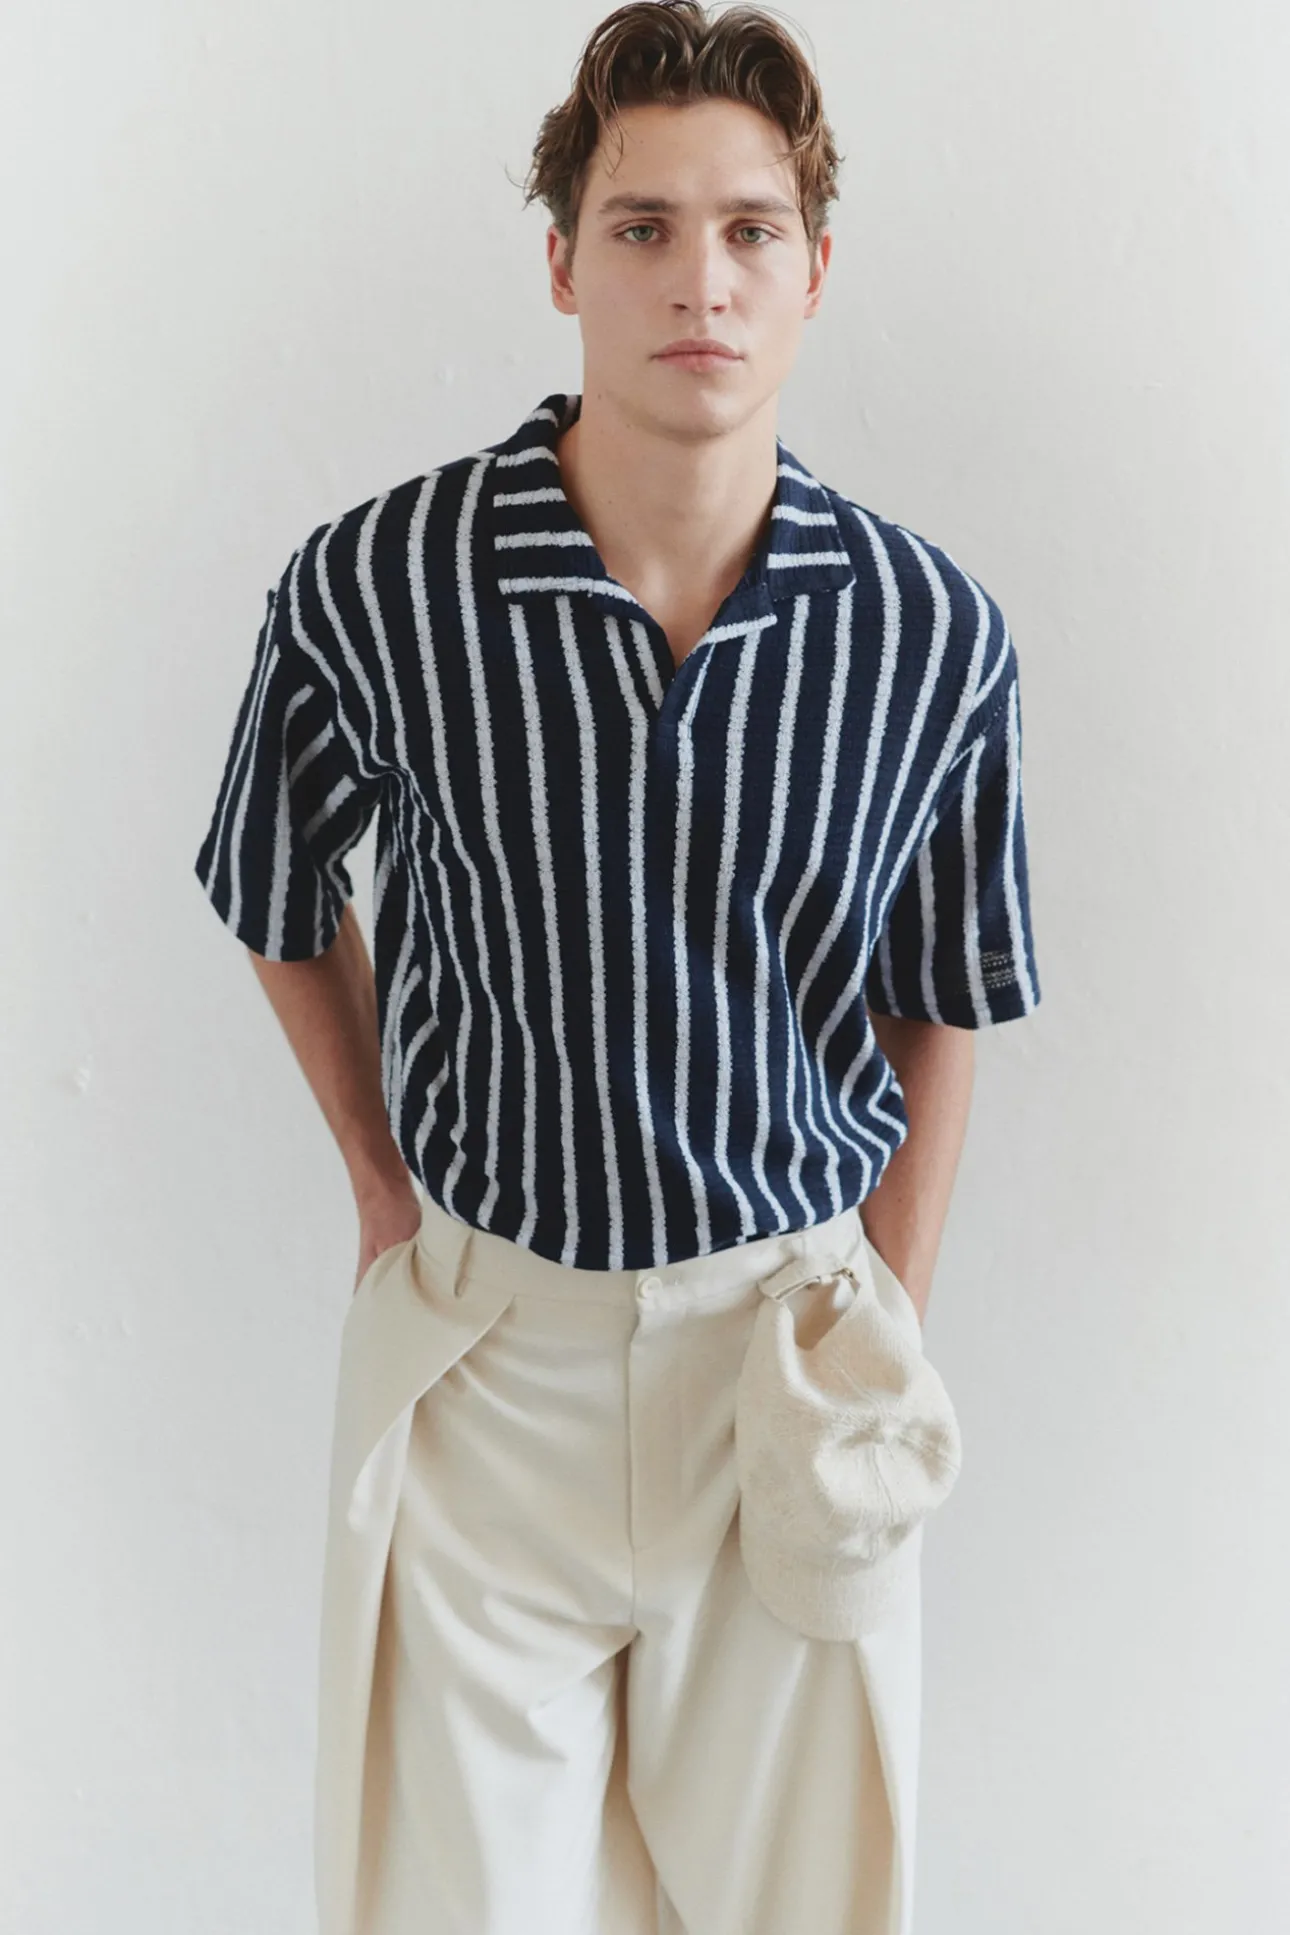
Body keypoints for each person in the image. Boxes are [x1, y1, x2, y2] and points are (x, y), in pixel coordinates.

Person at [193, 4, 1041, 1931]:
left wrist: (883, 1319)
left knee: (807, 1904)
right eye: (642, 226)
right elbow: (271, 884)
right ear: (564, 262)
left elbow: (942, 992)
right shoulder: (380, 586)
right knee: (451, 1905)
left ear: (814, 269)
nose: (699, 280)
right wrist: (379, 1183)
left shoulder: (929, 635)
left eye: (749, 230)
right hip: (490, 1364)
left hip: (788, 1357)